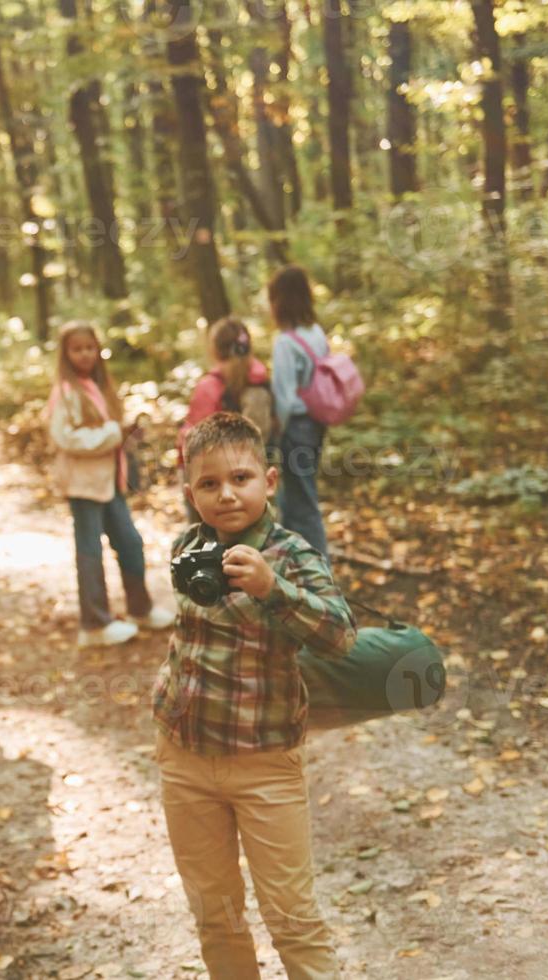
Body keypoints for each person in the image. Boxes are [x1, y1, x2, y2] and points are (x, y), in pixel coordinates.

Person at [153, 411, 356, 980]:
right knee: (215, 915)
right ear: (191, 492)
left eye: (240, 479)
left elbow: (339, 634)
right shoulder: (187, 545)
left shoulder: (291, 554)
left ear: (269, 481)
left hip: (265, 761)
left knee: (292, 916)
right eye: (209, 484)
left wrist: (274, 588)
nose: (226, 495)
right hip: (186, 757)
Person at [46, 320, 174, 647]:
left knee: (129, 541)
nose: (85, 354)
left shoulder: (99, 387)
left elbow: (108, 430)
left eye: (90, 347)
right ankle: (94, 623)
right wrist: (113, 434)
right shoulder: (65, 392)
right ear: (65, 354)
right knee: (89, 550)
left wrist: (127, 434)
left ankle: (139, 607)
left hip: (110, 481)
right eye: (77, 349)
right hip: (83, 484)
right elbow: (64, 437)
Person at [177, 317, 274, 520]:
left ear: (214, 349)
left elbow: (194, 435)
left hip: (208, 474)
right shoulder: (261, 381)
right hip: (253, 471)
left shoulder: (209, 386)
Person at [268, 264, 332, 557]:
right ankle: (295, 563)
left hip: (295, 427)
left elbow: (284, 397)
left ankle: (322, 574)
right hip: (317, 424)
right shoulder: (316, 332)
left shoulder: (285, 343)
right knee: (291, 499)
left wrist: (275, 434)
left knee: (303, 503)